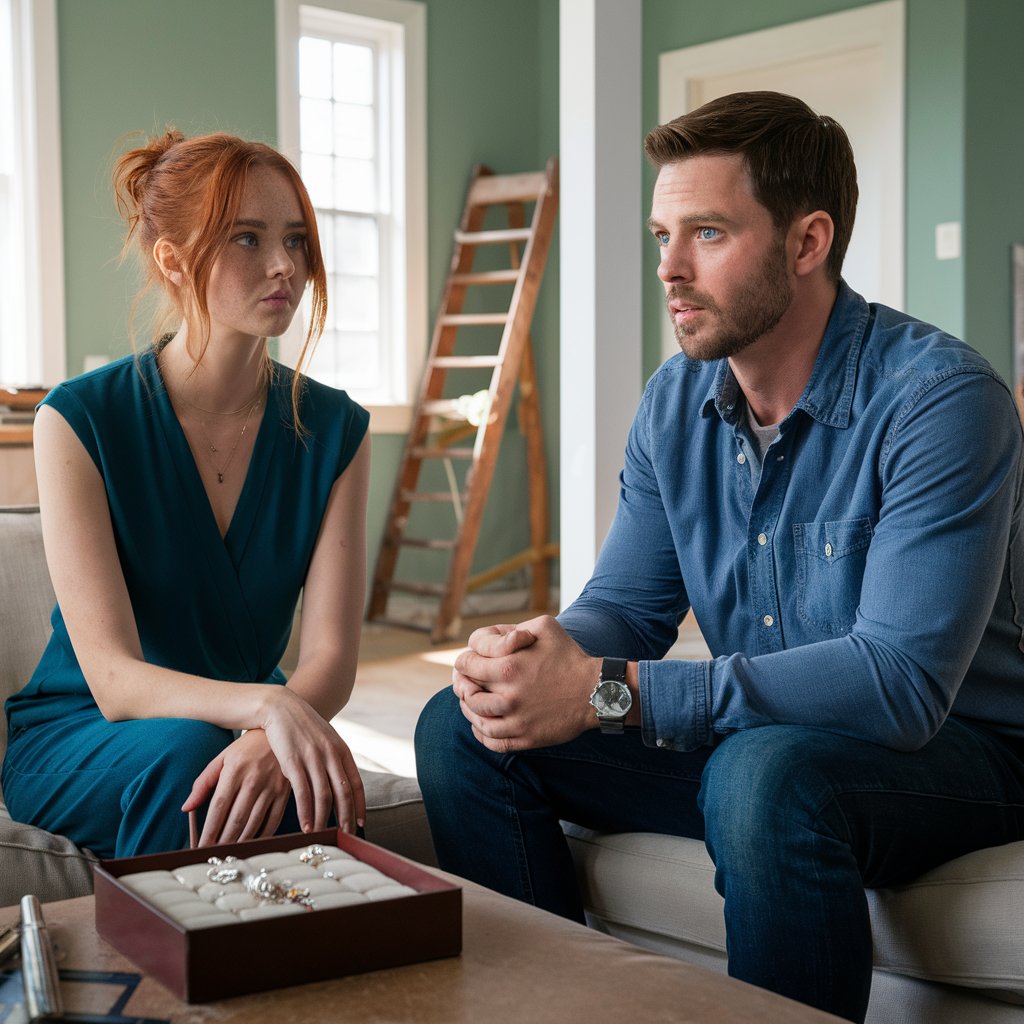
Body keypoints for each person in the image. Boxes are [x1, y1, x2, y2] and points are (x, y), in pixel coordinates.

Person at [414, 91, 1024, 1023]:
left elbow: (897, 683)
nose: (668, 268)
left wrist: (610, 691)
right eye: (662, 234)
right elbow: (625, 609)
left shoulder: (941, 402)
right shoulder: (676, 402)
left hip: (959, 754)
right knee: (463, 728)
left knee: (762, 775)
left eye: (706, 233)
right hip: (769, 733)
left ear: (807, 242)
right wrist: (542, 657)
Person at [2, 129, 370, 859]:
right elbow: (113, 682)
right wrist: (271, 707)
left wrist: (272, 732)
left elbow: (331, 658)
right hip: (83, 732)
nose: (284, 266)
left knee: (294, 778)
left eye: (295, 239)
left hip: (238, 723)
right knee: (193, 759)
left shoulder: (337, 431)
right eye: (246, 238)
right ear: (171, 260)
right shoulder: (79, 420)